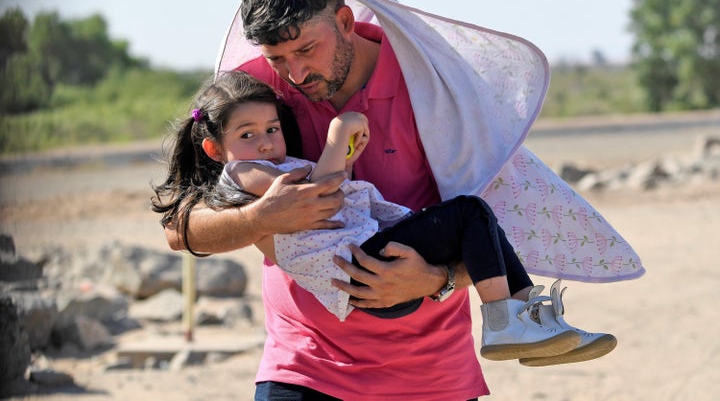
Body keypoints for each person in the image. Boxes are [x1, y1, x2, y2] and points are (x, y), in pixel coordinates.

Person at [163, 0, 642, 400]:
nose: (295, 72)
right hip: (305, 364)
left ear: (346, 22)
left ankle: (519, 319)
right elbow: (180, 227)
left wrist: (435, 281)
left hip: (432, 373)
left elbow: (492, 232)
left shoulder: (436, 88)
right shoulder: (256, 96)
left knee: (473, 216)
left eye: (307, 49)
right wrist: (257, 218)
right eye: (278, 57)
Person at [152, 71, 602, 366]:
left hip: (374, 268)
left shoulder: (278, 163)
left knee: (482, 223)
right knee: (468, 212)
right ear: (215, 148)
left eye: (271, 129)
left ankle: (531, 321)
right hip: (361, 267)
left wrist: (344, 156)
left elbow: (333, 183)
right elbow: (323, 197)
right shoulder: (243, 171)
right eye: (247, 134)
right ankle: (505, 322)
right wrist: (338, 133)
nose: (267, 142)